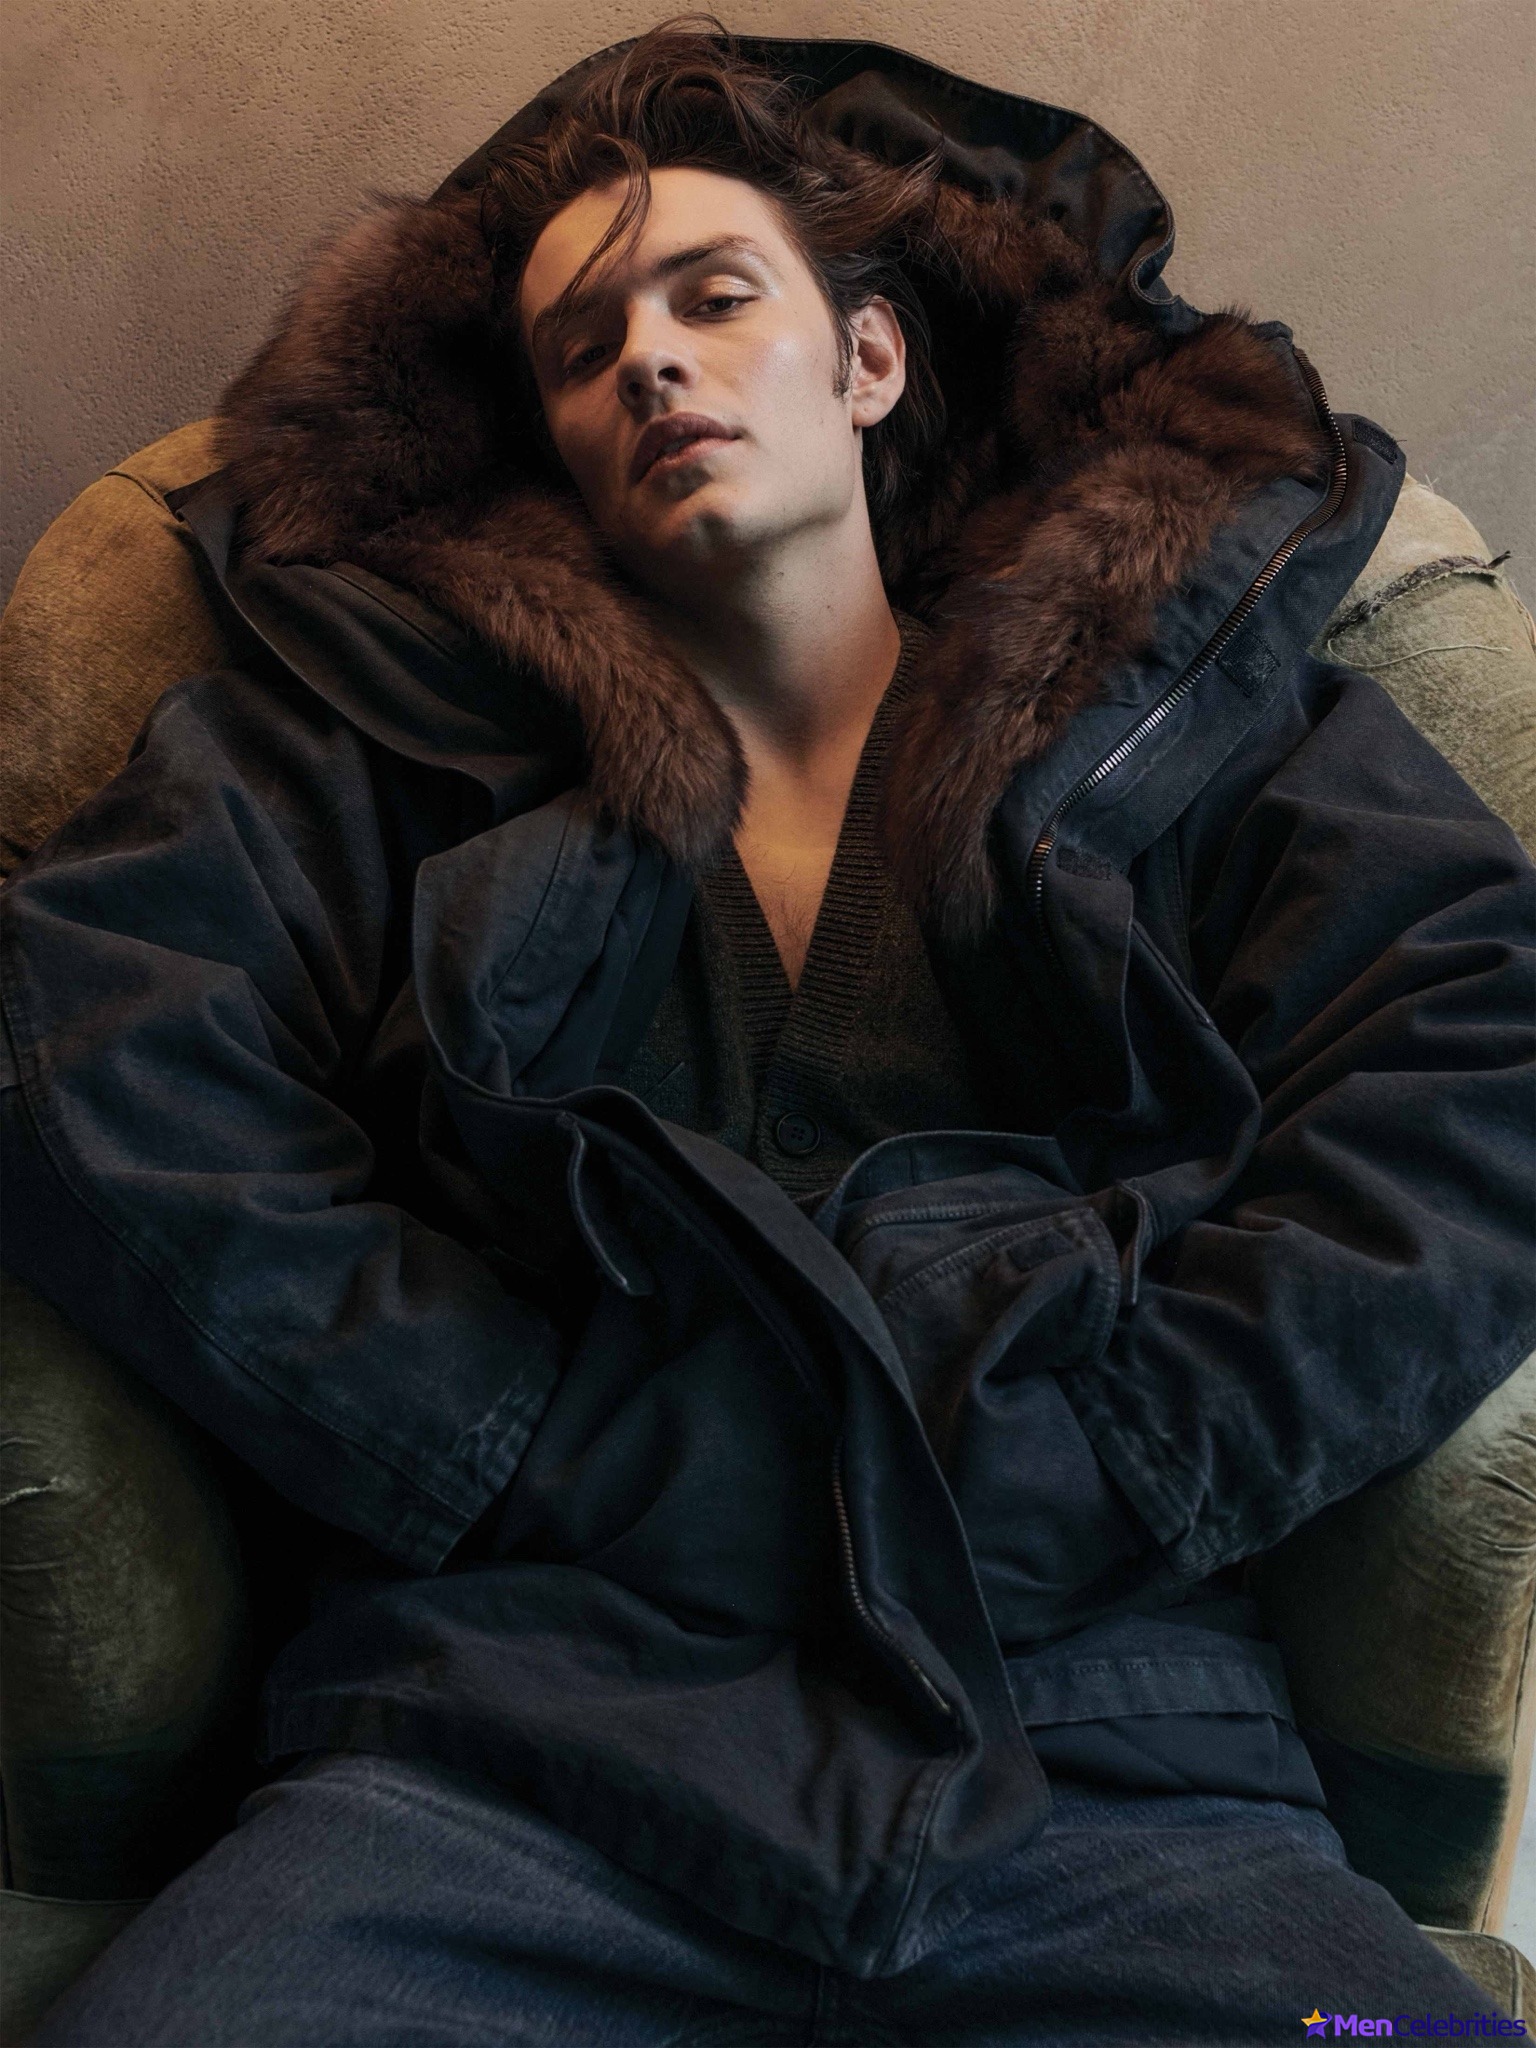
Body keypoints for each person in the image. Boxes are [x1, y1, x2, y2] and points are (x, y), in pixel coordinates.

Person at [3, 23, 1533, 2045]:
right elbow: (91, 1051)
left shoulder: (1188, 728)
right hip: (495, 1752)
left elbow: (1479, 1063)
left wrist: (1138, 1454)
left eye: (713, 298)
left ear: (868, 360)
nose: (648, 359)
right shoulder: (372, 741)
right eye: (583, 349)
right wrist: (500, 1439)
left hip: (1116, 1755)